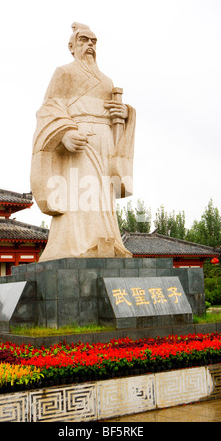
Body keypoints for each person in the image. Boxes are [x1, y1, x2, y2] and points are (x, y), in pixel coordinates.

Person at [31, 22, 136, 261]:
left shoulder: (107, 81)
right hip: (78, 140)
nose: (90, 45)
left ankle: (107, 242)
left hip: (105, 141)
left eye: (94, 41)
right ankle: (77, 245)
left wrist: (125, 113)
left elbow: (116, 116)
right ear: (71, 46)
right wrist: (64, 133)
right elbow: (49, 108)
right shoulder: (63, 73)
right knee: (79, 192)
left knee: (102, 195)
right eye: (84, 40)